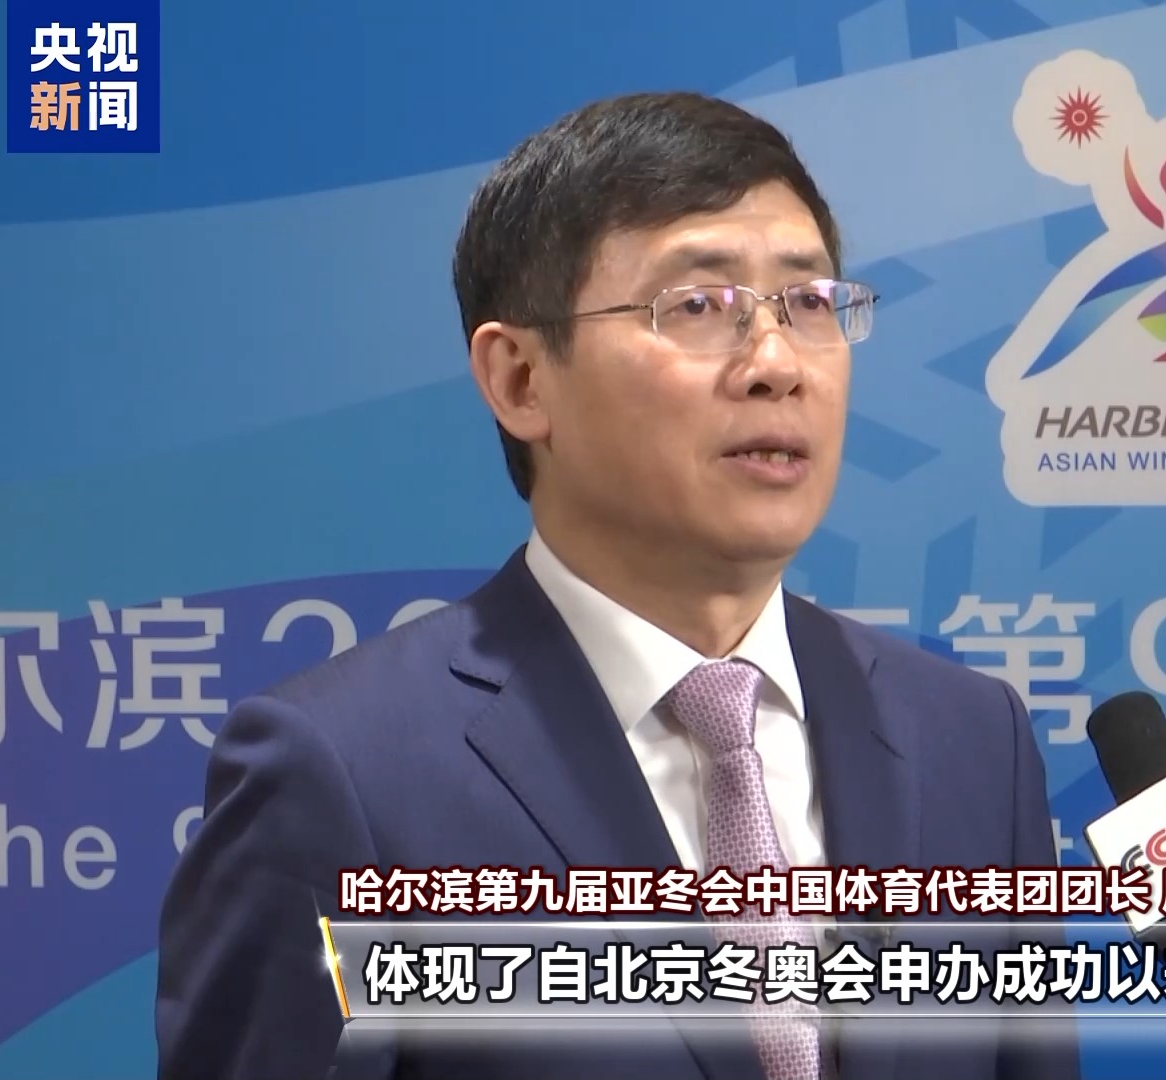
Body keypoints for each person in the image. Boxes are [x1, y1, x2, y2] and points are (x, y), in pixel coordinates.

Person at [154, 91, 1078, 1080]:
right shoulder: (346, 775)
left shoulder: (971, 741)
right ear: (520, 380)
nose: (776, 364)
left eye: (810, 303)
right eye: (699, 306)